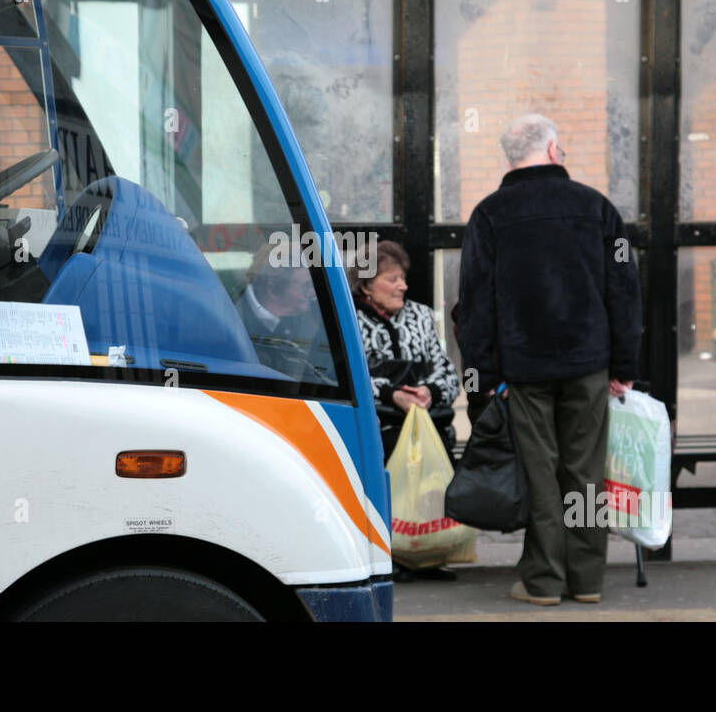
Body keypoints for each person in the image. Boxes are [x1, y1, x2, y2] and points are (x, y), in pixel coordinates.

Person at [458, 114, 641, 607]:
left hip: (523, 370)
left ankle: (542, 581)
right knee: (585, 472)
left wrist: (481, 380)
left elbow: (474, 306)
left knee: (541, 474)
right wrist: (623, 365)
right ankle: (587, 579)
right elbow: (624, 288)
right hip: (588, 363)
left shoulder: (488, 215)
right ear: (555, 149)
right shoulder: (598, 208)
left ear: (510, 157)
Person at [351, 239, 461, 583]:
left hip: (424, 426)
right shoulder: (350, 320)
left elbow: (447, 372)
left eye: (403, 278)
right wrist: (391, 392)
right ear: (367, 285)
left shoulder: (422, 316)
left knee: (429, 486)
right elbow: (347, 378)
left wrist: (430, 391)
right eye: (393, 278)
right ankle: (389, 554)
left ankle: (427, 554)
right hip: (379, 428)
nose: (403, 286)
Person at [236, 243, 331, 383]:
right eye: (306, 286)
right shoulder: (232, 315)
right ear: (273, 286)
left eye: (313, 286)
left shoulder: (316, 316)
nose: (313, 293)